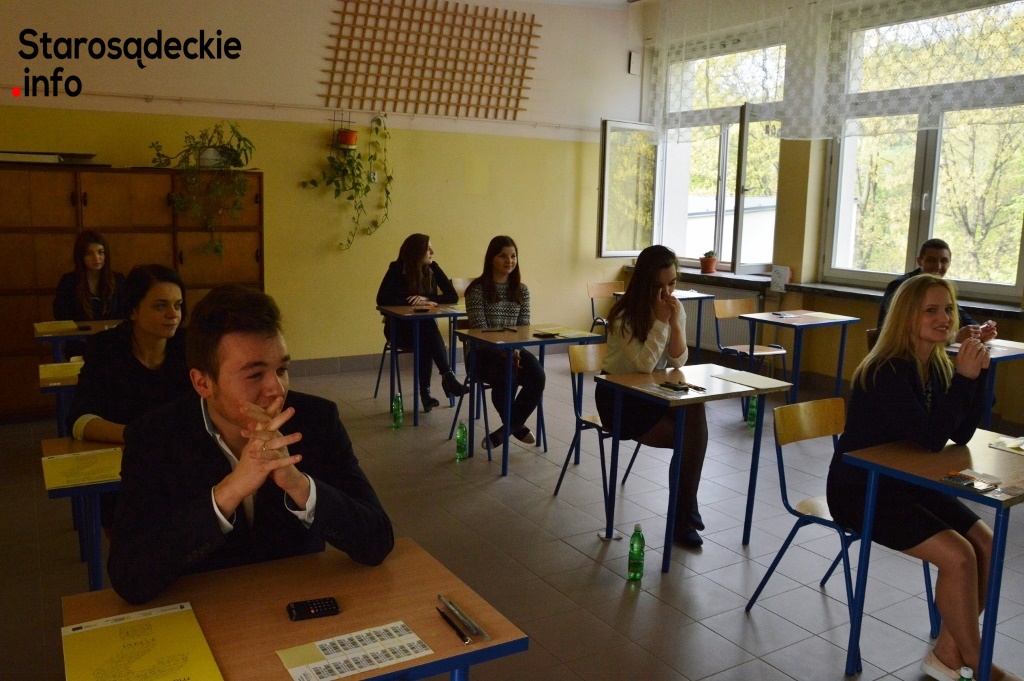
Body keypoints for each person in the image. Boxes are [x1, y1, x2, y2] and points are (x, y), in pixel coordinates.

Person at [108, 285, 394, 605]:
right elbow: (129, 577)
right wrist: (229, 492)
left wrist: (298, 485)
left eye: (281, 369)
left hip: (298, 603)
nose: (277, 389)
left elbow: (377, 542)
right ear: (203, 383)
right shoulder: (154, 437)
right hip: (210, 609)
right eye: (255, 375)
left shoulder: (316, 420)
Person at [827, 274, 1019, 681]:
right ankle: (979, 664)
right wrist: (965, 378)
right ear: (906, 317)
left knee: (986, 543)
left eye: (948, 309)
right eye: (931, 310)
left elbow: (960, 433)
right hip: (862, 489)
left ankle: (947, 653)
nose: (944, 318)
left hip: (908, 482)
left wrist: (979, 372)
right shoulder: (886, 370)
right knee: (960, 557)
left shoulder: (935, 364)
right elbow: (931, 439)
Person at [595, 245, 708, 547]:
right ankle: (684, 515)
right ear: (645, 283)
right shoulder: (623, 316)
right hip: (619, 396)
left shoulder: (673, 308)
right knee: (687, 438)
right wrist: (660, 322)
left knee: (694, 408)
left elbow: (678, 360)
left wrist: (674, 322)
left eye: (672, 284)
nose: (667, 292)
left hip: (651, 391)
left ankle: (683, 513)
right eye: (659, 286)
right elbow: (644, 365)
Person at [67, 264, 191, 444]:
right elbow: (79, 420)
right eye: (160, 306)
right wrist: (138, 436)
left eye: (177, 305)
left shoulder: (190, 346)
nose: (173, 314)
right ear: (133, 310)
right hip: (123, 450)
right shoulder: (105, 348)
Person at [464, 235, 545, 449]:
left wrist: (514, 350)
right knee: (507, 374)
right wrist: (503, 351)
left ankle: (505, 430)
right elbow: (479, 330)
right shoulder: (476, 289)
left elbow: (523, 328)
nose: (509, 261)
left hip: (513, 350)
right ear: (491, 258)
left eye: (513, 256)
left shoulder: (522, 290)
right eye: (503, 256)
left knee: (537, 376)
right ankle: (516, 427)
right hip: (481, 353)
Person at [375, 233, 466, 411]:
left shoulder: (433, 267)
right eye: (428, 249)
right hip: (398, 330)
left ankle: (428, 393)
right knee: (426, 330)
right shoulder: (397, 268)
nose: (432, 252)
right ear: (416, 252)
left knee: (425, 333)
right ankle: (446, 379)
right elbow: (382, 299)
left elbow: (452, 296)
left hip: (422, 332)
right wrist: (411, 301)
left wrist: (426, 298)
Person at [877, 238, 996, 344]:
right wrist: (954, 337)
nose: (938, 266)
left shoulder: (940, 289)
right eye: (931, 260)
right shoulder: (902, 286)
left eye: (944, 261)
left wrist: (980, 331)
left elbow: (963, 318)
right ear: (919, 261)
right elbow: (902, 329)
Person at [53, 230, 126, 357]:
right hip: (80, 344)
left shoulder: (118, 280)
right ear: (80, 256)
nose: (96, 258)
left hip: (112, 344)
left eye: (100, 252)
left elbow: (125, 312)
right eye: (89, 253)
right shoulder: (69, 281)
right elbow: (61, 315)